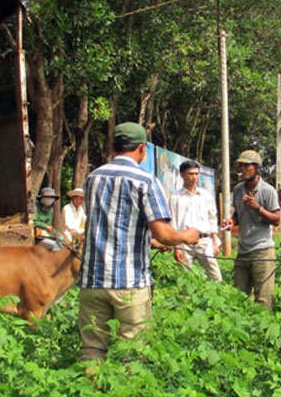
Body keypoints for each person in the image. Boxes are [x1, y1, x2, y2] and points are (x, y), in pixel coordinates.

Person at [78, 122, 199, 362]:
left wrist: (150, 242)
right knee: (132, 352)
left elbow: (109, 226)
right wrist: (186, 236)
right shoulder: (145, 180)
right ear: (142, 148)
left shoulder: (93, 178)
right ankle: (126, 396)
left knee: (91, 349)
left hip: (92, 280)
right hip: (129, 281)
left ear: (114, 146)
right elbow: (163, 233)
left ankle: (88, 388)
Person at [222, 150, 281, 309]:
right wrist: (231, 222)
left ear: (256, 167)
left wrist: (258, 208)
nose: (241, 169)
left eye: (245, 166)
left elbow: (277, 220)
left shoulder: (268, 191)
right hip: (243, 250)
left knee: (262, 300)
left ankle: (261, 333)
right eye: (240, 166)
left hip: (262, 251)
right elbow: (237, 214)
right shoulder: (239, 189)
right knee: (238, 297)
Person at [169, 160, 223, 282]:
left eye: (197, 174)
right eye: (190, 174)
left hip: (204, 240)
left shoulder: (206, 195)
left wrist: (215, 241)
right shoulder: (175, 198)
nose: (194, 177)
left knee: (216, 278)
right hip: (184, 243)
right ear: (182, 174)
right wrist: (177, 247)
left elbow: (212, 219)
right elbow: (173, 223)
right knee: (186, 280)